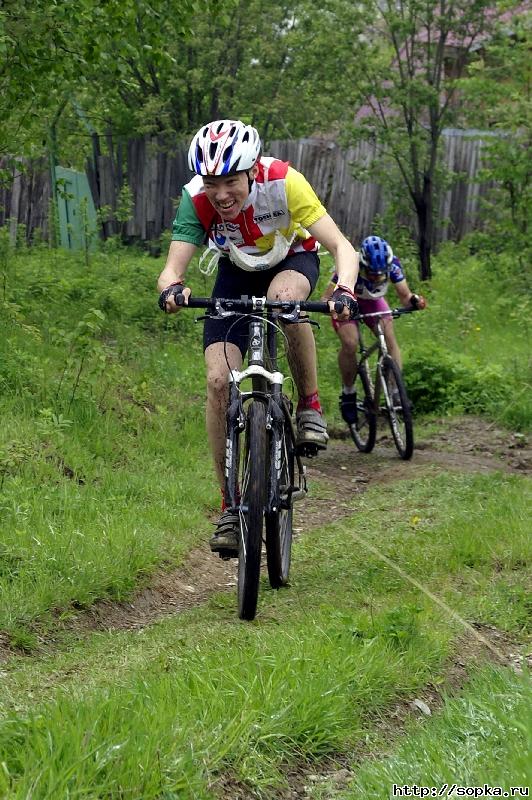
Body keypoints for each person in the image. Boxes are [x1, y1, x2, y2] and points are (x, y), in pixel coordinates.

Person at [157, 119, 359, 553]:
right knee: (217, 382)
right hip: (236, 272)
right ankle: (230, 505)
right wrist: (174, 288)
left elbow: (343, 247)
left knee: (284, 299)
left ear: (251, 171)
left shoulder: (284, 182)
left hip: (292, 259)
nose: (222, 194)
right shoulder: (196, 199)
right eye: (213, 182)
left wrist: (344, 289)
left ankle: (310, 405)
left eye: (231, 181)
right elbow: (172, 269)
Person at [322, 234, 426, 424]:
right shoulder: (350, 264)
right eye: (372, 274)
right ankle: (348, 393)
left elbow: (405, 295)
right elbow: (327, 297)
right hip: (348, 301)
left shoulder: (392, 265)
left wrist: (414, 301)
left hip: (374, 303)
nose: (377, 278)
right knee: (350, 343)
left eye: (381, 274)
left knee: (389, 339)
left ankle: (395, 392)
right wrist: (333, 306)